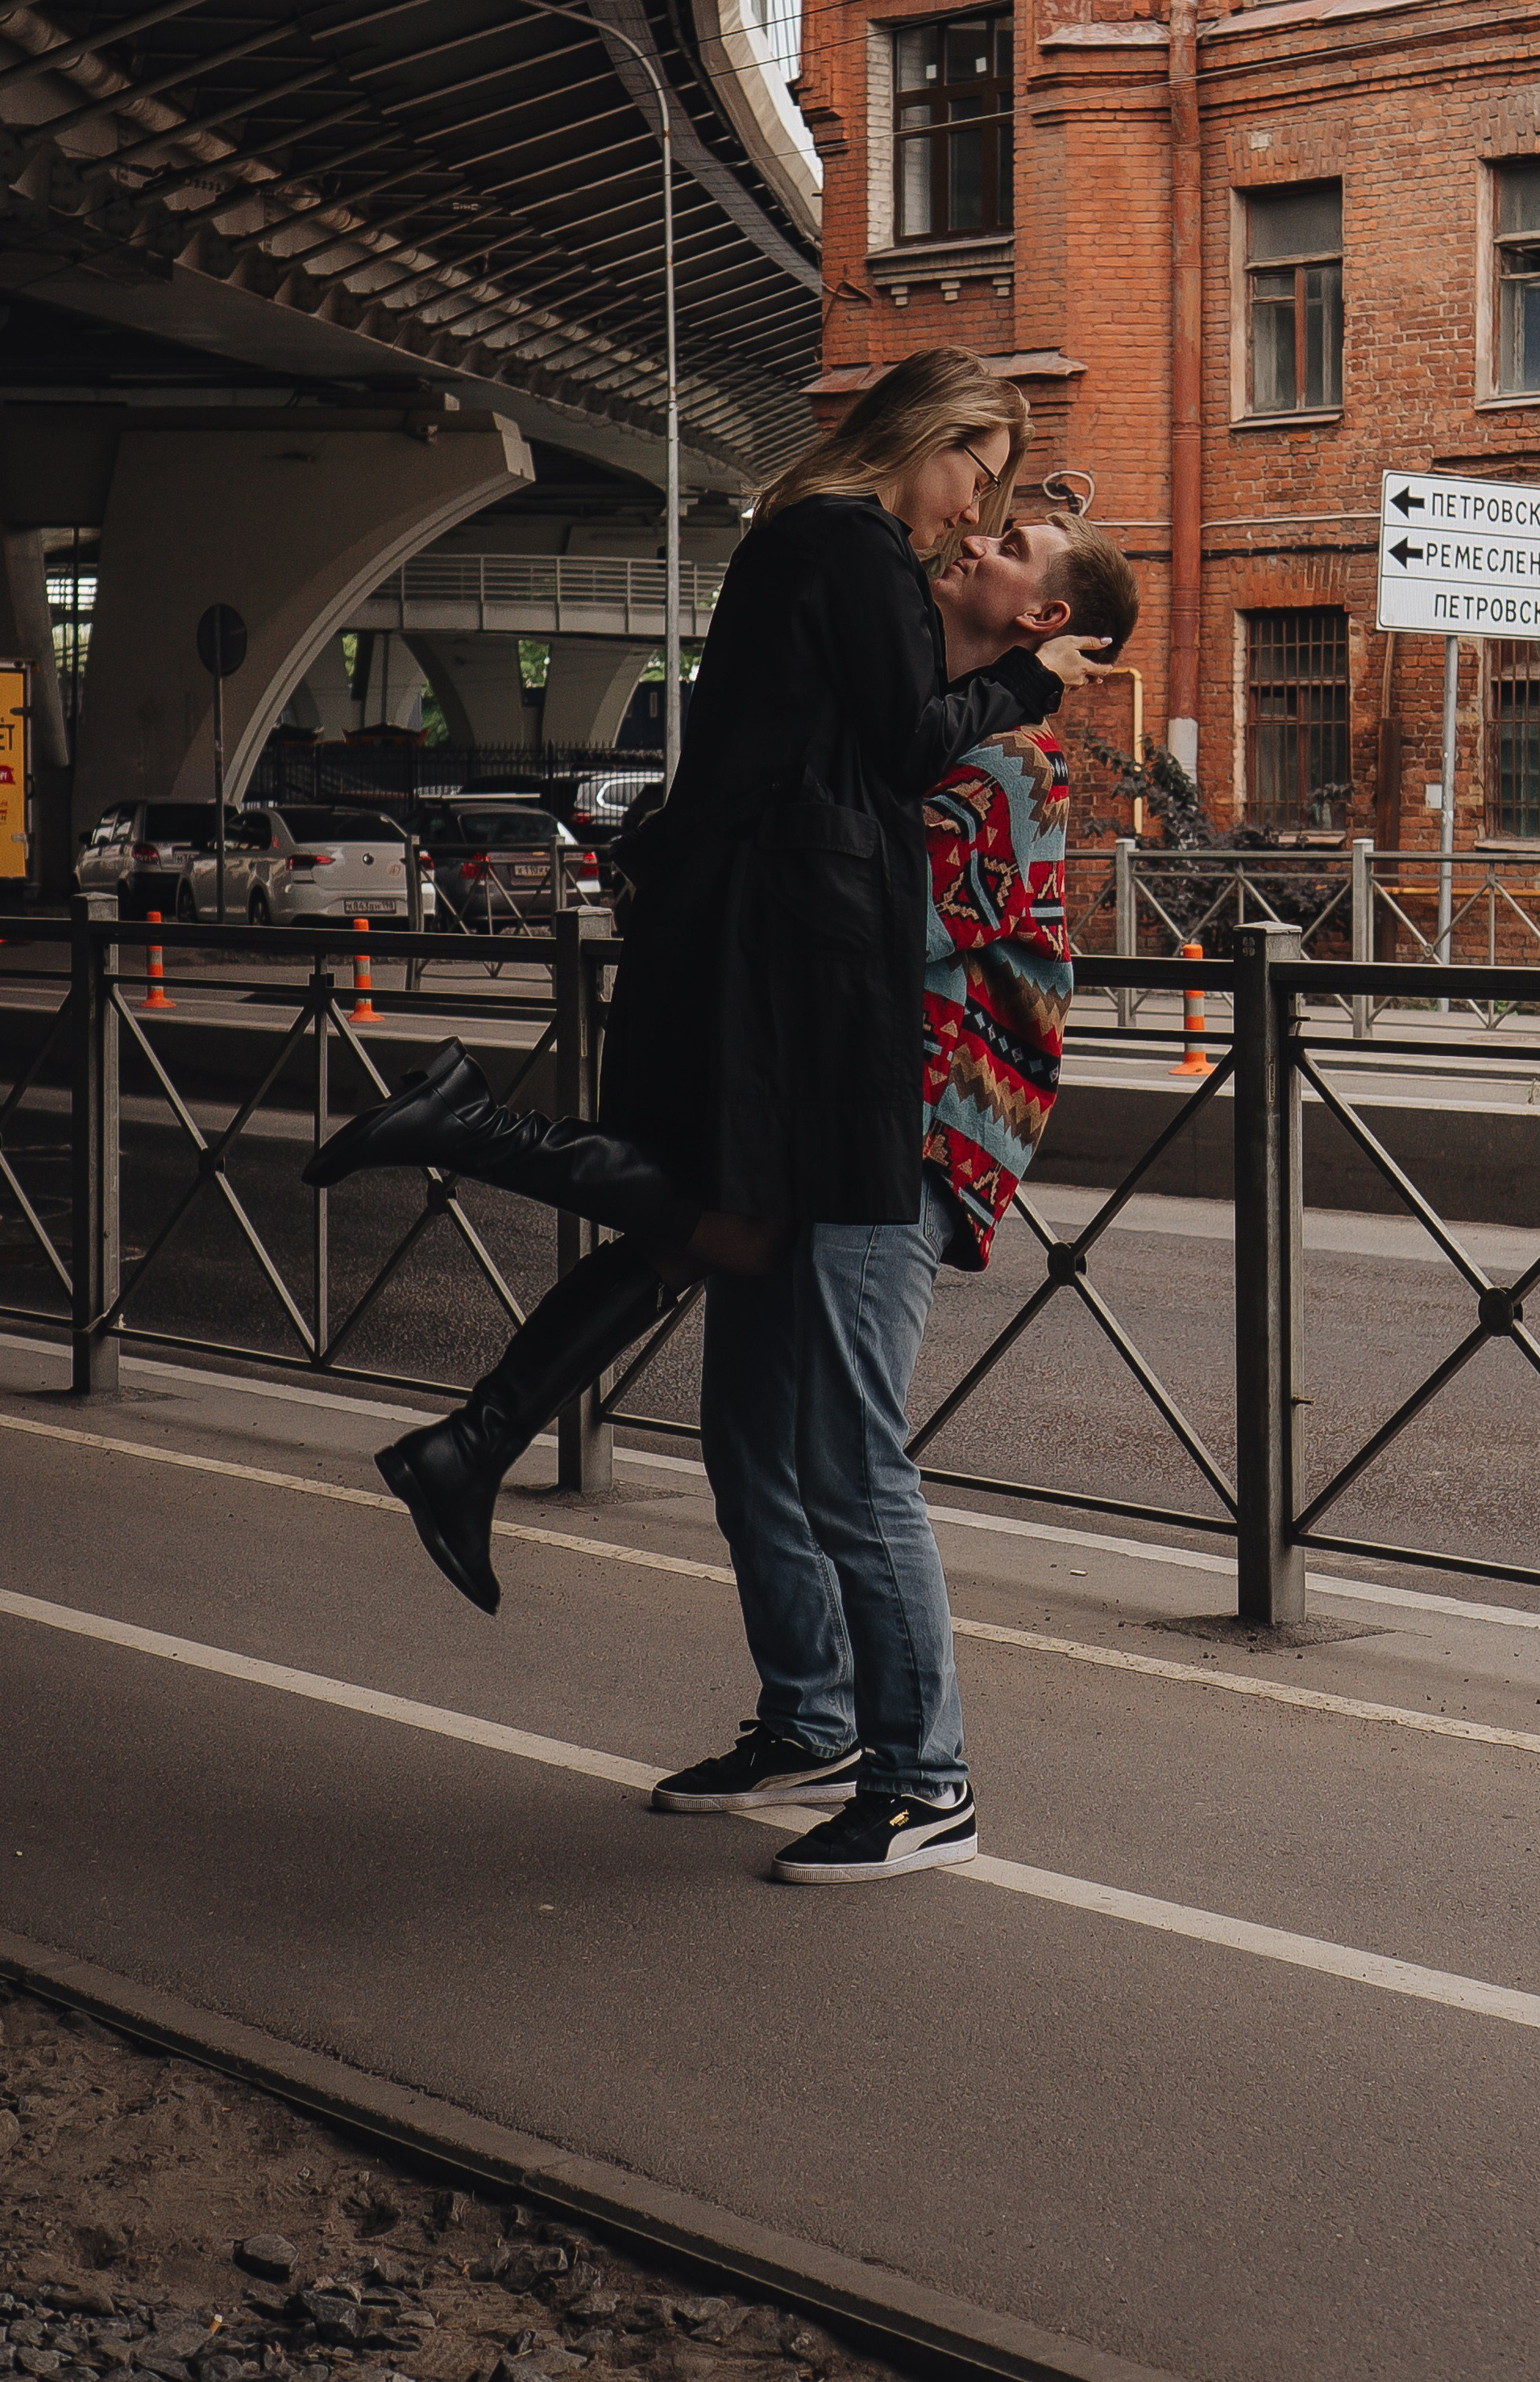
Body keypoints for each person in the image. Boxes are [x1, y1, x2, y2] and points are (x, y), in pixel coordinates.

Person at [303, 348, 1111, 1621]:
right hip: (781, 953)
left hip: (761, 934)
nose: (972, 510)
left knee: (711, 1228)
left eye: (1001, 511)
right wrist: (1022, 683)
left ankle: (471, 1443)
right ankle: (464, 1139)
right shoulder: (851, 548)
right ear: (926, 434)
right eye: (978, 474)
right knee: (723, 1234)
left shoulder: (828, 549)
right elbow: (901, 752)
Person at [661, 512, 1138, 1884]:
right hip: (815, 1115)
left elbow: (872, 912)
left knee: (850, 1460)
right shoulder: (917, 724)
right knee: (748, 1437)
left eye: (1013, 542)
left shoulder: (1011, 759)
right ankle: (809, 1720)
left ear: (1044, 617)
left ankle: (927, 1783)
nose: (976, 539)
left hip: (911, 1129)